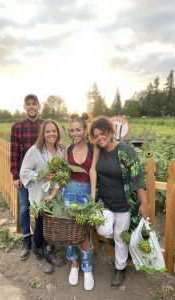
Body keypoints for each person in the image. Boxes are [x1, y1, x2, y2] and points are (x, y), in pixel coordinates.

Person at [89, 116, 148, 288]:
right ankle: (117, 242)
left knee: (120, 236)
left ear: (110, 131)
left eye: (103, 133)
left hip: (123, 204)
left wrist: (144, 204)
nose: (100, 138)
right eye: (96, 135)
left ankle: (120, 268)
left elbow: (137, 177)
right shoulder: (98, 150)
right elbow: (93, 170)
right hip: (104, 202)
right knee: (104, 229)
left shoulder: (125, 150)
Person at [20, 119, 65, 274]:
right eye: (48, 131)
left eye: (54, 131)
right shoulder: (35, 150)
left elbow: (61, 172)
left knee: (51, 225)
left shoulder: (60, 150)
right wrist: (41, 175)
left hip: (54, 195)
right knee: (40, 224)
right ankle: (38, 252)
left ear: (58, 133)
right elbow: (23, 172)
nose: (51, 134)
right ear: (43, 134)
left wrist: (56, 189)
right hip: (40, 195)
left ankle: (48, 250)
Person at [62, 116, 98, 291]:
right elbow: (64, 174)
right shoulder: (67, 149)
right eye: (72, 130)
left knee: (84, 233)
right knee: (70, 232)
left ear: (85, 130)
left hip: (85, 193)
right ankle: (74, 264)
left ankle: (87, 267)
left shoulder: (93, 148)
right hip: (69, 192)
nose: (75, 133)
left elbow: (92, 171)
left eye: (78, 129)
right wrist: (56, 192)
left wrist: (92, 195)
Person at [10, 94, 42, 261]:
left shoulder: (44, 126)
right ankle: (26, 240)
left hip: (42, 177)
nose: (31, 107)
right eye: (28, 104)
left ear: (38, 106)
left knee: (40, 209)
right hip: (24, 177)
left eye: (34, 104)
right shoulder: (18, 127)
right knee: (24, 209)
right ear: (24, 106)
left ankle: (40, 241)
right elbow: (14, 153)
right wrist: (16, 176)